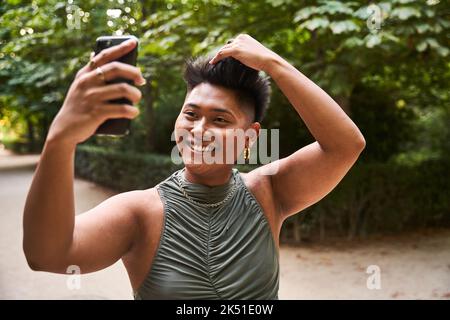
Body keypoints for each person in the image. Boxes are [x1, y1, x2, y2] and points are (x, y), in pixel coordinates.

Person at [23, 34, 365, 299]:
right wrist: (60, 140)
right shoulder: (140, 212)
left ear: (249, 137)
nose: (199, 131)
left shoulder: (269, 191)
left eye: (219, 119)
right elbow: (47, 255)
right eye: (190, 114)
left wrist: (274, 63)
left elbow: (346, 145)